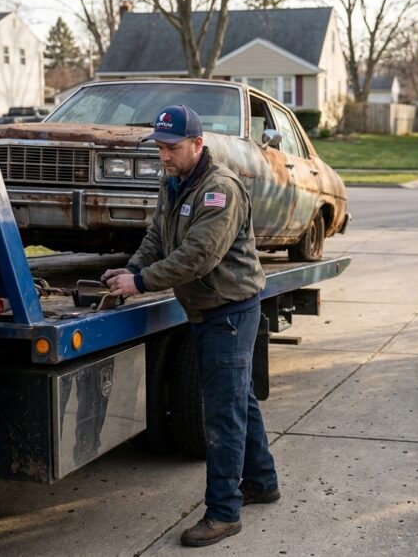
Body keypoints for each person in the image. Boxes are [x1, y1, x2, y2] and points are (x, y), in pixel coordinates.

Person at [103, 104, 280, 547]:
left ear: (197, 144)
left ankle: (224, 513)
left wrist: (141, 282)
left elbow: (200, 256)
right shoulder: (174, 183)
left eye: (171, 147)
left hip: (229, 313)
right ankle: (262, 481)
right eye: (159, 147)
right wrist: (129, 269)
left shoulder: (220, 190)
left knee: (222, 416)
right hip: (207, 311)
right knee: (238, 400)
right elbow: (156, 238)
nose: (163, 155)